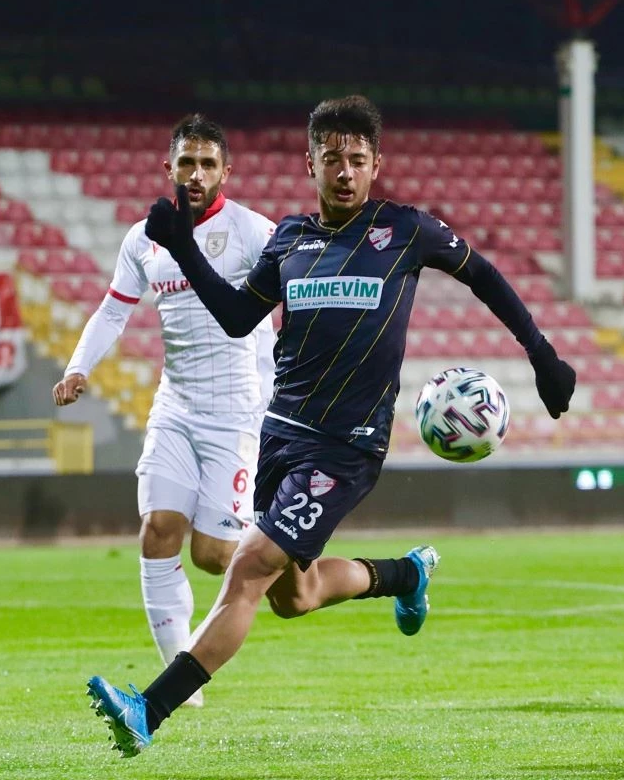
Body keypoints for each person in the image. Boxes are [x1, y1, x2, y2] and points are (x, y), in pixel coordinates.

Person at [85, 95, 576, 757]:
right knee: (296, 594)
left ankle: (149, 709)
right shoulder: (290, 239)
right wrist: (183, 248)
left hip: (346, 448)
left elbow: (482, 275)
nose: (345, 171)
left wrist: (541, 354)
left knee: (248, 569)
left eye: (358, 159)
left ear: (376, 165)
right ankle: (404, 575)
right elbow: (237, 317)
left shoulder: (405, 230)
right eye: (332, 158)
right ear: (310, 164)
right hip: (279, 435)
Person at [53, 113, 276, 707]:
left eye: (207, 164)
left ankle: (289, 560)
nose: (196, 174)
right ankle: (183, 689)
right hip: (176, 405)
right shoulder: (143, 238)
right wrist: (78, 367)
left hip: (237, 412)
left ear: (226, 171)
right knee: (157, 530)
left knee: (213, 557)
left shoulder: (254, 231)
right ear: (169, 169)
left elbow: (288, 309)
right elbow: (113, 309)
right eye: (187, 163)